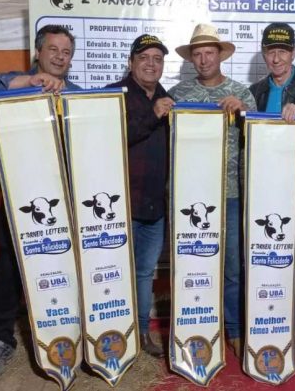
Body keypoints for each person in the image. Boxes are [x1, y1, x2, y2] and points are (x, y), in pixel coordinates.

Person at [0, 24, 80, 380]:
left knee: (66, 269)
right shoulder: (16, 84)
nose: (60, 57)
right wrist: (25, 82)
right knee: (10, 271)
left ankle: (67, 338)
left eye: (66, 52)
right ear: (38, 52)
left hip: (65, 202)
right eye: (53, 49)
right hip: (22, 199)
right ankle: (1, 340)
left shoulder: (76, 94)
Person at [168, 23, 257, 358]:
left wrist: (245, 111)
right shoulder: (178, 94)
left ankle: (234, 329)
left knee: (232, 268)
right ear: (192, 59)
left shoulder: (240, 92)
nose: (204, 59)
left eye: (209, 53)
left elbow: (260, 135)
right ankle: (197, 327)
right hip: (191, 197)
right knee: (193, 266)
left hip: (230, 194)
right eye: (198, 54)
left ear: (220, 56)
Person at [249, 22, 295, 357]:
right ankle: (262, 321)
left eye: (283, 51)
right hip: (261, 191)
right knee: (261, 261)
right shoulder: (254, 91)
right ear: (264, 54)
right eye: (271, 51)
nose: (276, 58)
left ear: (294, 52)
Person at [106, 34, 175, 358]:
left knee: (145, 273)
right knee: (114, 271)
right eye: (144, 57)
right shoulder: (113, 95)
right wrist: (154, 115)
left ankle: (142, 332)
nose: (151, 64)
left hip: (155, 206)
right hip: (120, 206)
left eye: (157, 59)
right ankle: (115, 333)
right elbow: (110, 138)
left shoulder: (168, 98)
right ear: (131, 62)